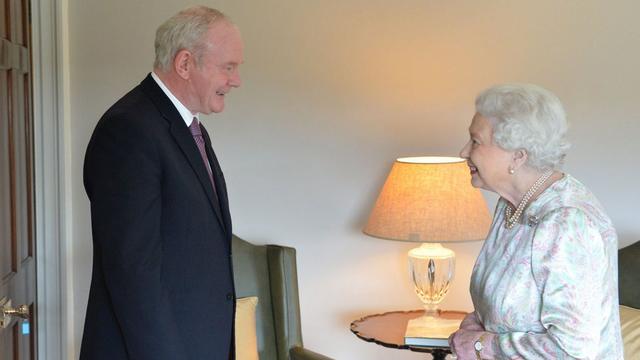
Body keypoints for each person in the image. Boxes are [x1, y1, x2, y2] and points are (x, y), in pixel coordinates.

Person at [80, 6, 243, 359]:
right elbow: (133, 274)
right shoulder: (128, 130)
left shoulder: (190, 129)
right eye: (228, 67)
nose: (236, 80)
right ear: (185, 64)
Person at [449, 83, 623, 359]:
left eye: (475, 141)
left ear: (518, 155)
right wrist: (477, 323)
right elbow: (513, 307)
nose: (463, 152)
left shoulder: (567, 223)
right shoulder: (512, 205)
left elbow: (573, 351)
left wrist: (482, 345)